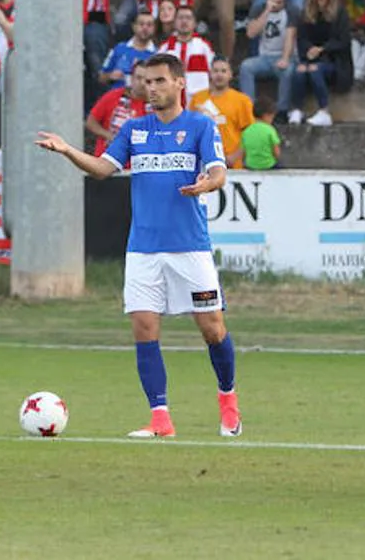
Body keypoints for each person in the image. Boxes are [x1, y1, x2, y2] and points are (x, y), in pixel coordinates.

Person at [35, 53, 239, 440]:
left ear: (179, 84)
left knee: (212, 329)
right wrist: (67, 151)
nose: (151, 88)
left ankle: (228, 401)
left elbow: (219, 173)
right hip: (143, 249)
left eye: (160, 81)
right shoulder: (134, 130)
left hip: (190, 247)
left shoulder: (200, 125)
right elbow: (101, 169)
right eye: (147, 82)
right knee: (145, 328)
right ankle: (160, 418)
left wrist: (206, 185)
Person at [286, 0, 351, 127]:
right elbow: (302, 38)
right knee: (300, 70)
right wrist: (309, 50)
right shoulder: (306, 11)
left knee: (315, 70)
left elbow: (343, 41)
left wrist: (322, 49)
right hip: (311, 58)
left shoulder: (340, 12)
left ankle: (324, 110)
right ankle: (297, 109)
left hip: (335, 61)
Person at [189, 58, 254, 168]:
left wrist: (234, 156)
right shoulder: (197, 99)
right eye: (215, 71)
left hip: (232, 164)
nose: (219, 75)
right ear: (210, 74)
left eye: (223, 71)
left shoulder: (242, 100)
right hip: (203, 163)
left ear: (230, 75)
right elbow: (190, 130)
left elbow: (250, 134)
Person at [86, 76, 148, 158]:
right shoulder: (114, 95)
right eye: (139, 78)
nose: (142, 83)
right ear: (132, 79)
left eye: (147, 80)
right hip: (107, 159)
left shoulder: (157, 104)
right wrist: (109, 136)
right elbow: (90, 122)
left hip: (138, 163)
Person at [240, 94, 282, 171]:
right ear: (267, 115)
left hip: (251, 166)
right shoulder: (270, 130)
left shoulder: (246, 131)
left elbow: (243, 153)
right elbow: (276, 152)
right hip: (269, 165)